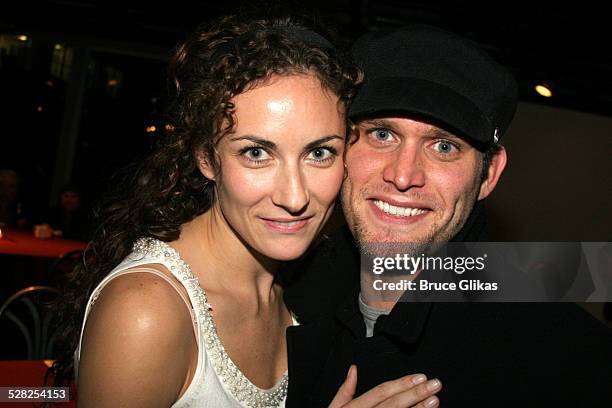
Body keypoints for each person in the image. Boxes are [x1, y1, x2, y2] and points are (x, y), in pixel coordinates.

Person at [51, 15, 441, 408]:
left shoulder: (304, 280)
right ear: (207, 157)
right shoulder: (147, 311)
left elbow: (487, 275)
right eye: (257, 153)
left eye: (319, 153)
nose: (294, 197)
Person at [284, 25, 612, 406]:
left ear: (488, 174)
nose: (403, 175)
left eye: (443, 146)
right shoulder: (279, 297)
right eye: (382, 135)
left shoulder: (566, 362)